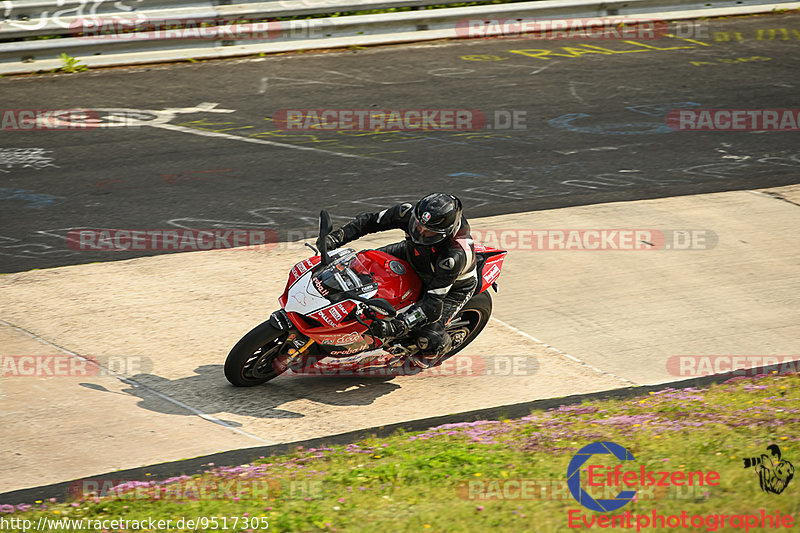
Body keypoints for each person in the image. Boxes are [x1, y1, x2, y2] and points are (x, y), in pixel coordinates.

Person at [324, 193, 476, 367]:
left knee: (428, 336)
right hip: (413, 255)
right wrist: (337, 237)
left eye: (429, 232)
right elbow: (370, 221)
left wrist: (400, 325)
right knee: (362, 263)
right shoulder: (408, 213)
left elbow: (431, 305)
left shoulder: (453, 255)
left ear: (446, 233)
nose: (420, 232)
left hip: (451, 286)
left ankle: (439, 345)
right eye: (418, 226)